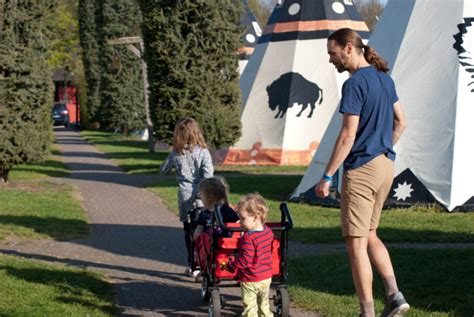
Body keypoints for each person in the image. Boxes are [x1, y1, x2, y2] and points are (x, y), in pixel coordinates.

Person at [314, 28, 409, 317]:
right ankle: (394, 295)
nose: (331, 60)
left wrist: (327, 175)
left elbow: (347, 136)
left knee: (355, 246)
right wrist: (381, 147)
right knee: (369, 234)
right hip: (385, 166)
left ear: (349, 49)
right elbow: (401, 123)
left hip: (363, 170)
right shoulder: (384, 78)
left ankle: (366, 312)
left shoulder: (354, 84)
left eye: (333, 53)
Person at [160, 117, 214, 277]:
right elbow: (208, 174)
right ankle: (205, 263)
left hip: (185, 198)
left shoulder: (176, 153)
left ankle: (193, 266)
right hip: (202, 198)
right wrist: (200, 191)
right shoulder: (204, 152)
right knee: (204, 230)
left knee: (189, 232)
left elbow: (163, 170)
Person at [222, 193, 274, 317]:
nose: (240, 222)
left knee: (250, 307)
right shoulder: (268, 232)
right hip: (266, 276)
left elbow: (245, 261)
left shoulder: (249, 238)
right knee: (264, 303)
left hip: (251, 278)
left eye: (243, 218)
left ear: (256, 217)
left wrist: (231, 265)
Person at [193, 176, 239, 241]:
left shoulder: (226, 210)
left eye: (201, 194)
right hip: (207, 246)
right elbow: (199, 228)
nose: (200, 197)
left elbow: (236, 225)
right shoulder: (204, 213)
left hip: (224, 244)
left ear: (210, 196)